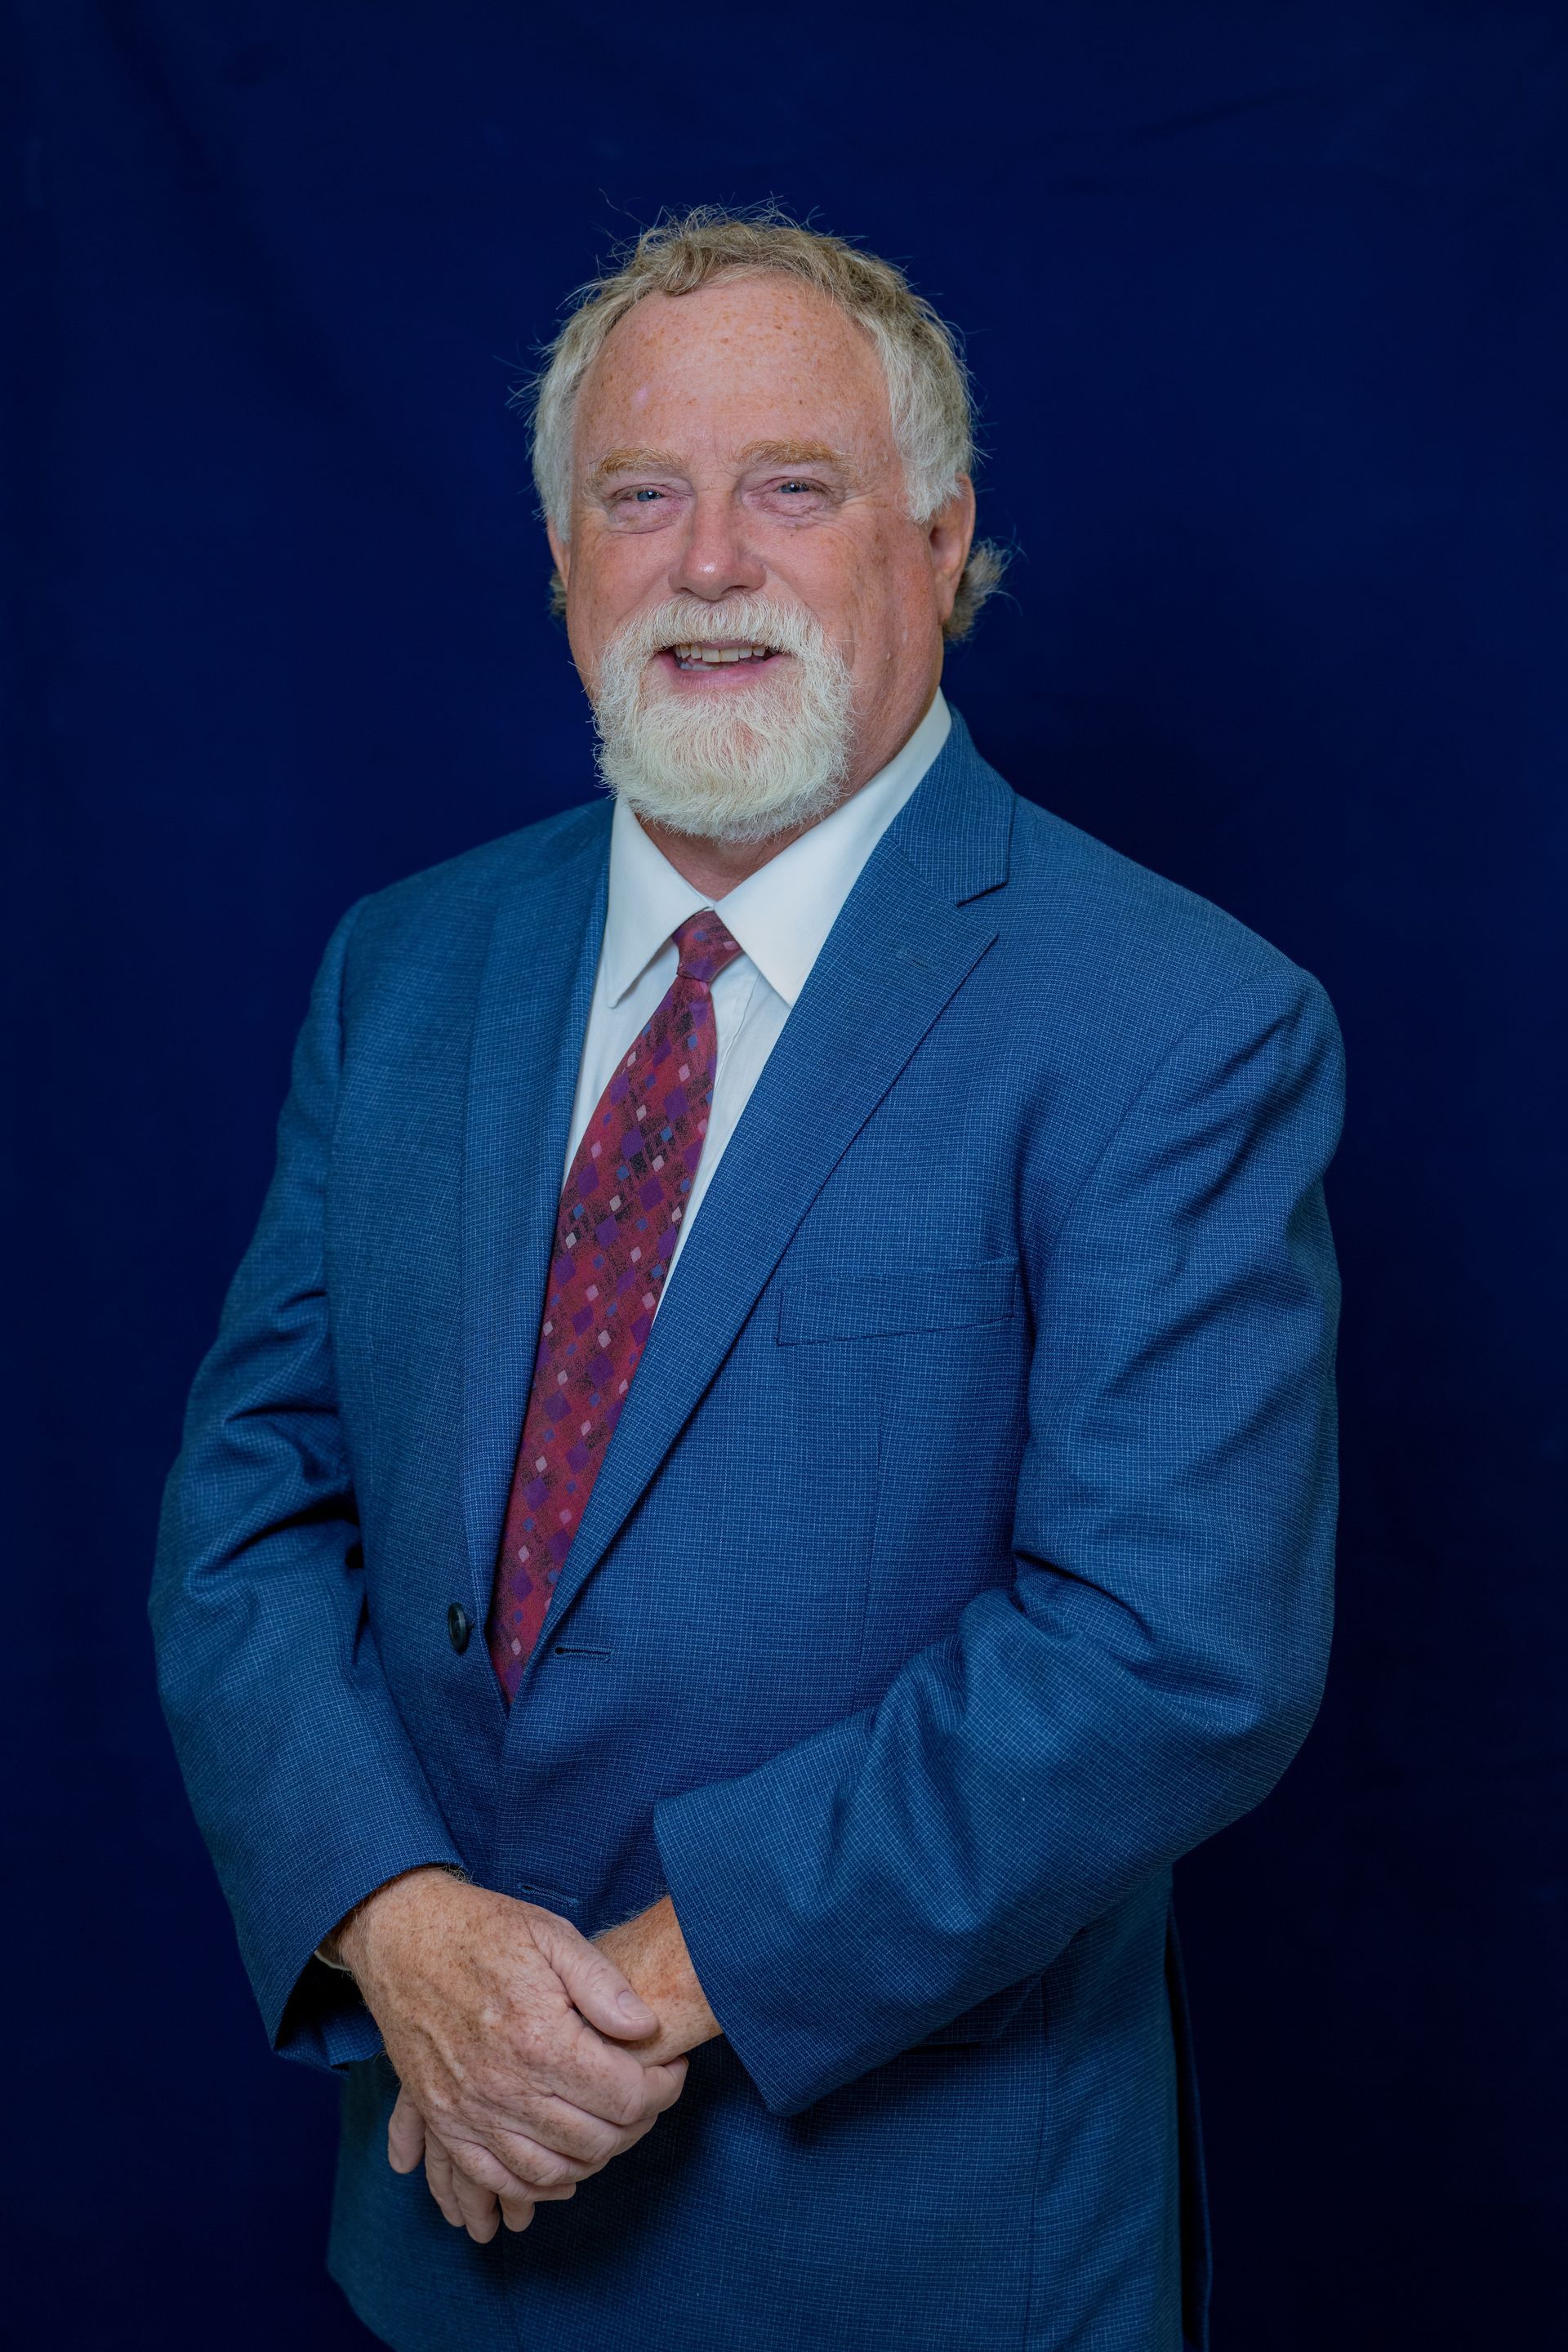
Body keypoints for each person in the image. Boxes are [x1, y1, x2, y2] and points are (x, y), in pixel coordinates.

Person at [152, 209, 1343, 2352]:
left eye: (791, 487)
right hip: (444, 2226)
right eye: (641, 494)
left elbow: (1171, 1656)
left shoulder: (1175, 1021)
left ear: (941, 539)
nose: (709, 561)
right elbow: (250, 1512)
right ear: (561, 559)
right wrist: (401, 1929)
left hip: (915, 2260)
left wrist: (608, 2012)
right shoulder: (402, 971)